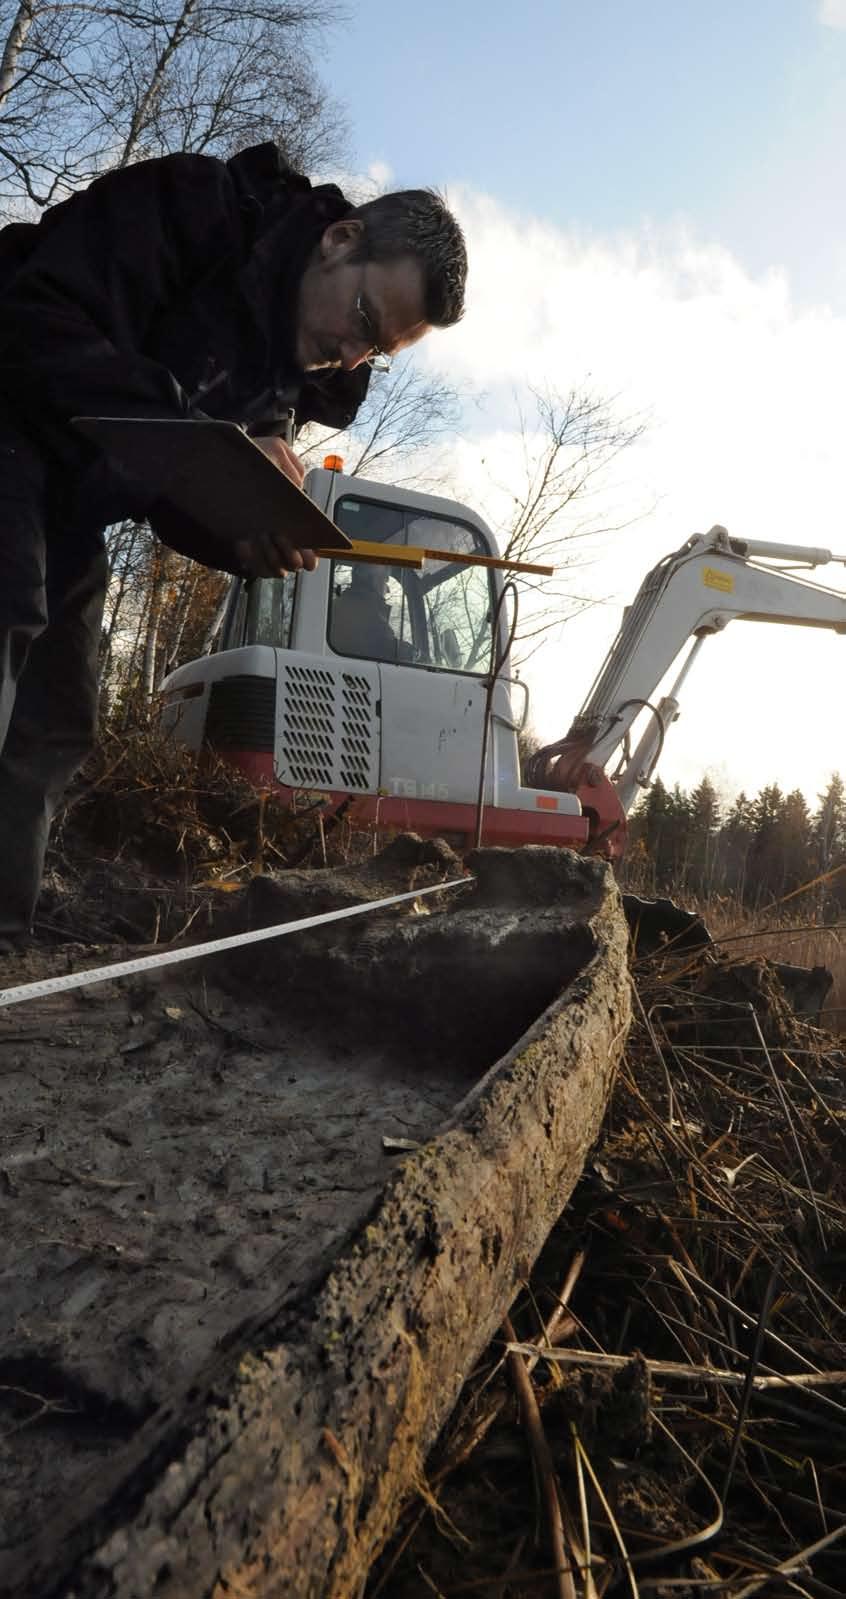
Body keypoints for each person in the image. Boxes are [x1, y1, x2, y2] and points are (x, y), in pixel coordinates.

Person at [0, 142, 467, 945]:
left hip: (75, 496)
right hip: (6, 407)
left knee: (60, 710)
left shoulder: (286, 382)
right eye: (362, 321)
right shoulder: (193, 206)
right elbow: (34, 318)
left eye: (377, 352)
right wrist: (199, 433)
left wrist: (243, 536)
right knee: (6, 608)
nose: (351, 356)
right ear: (340, 240)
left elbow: (169, 484)